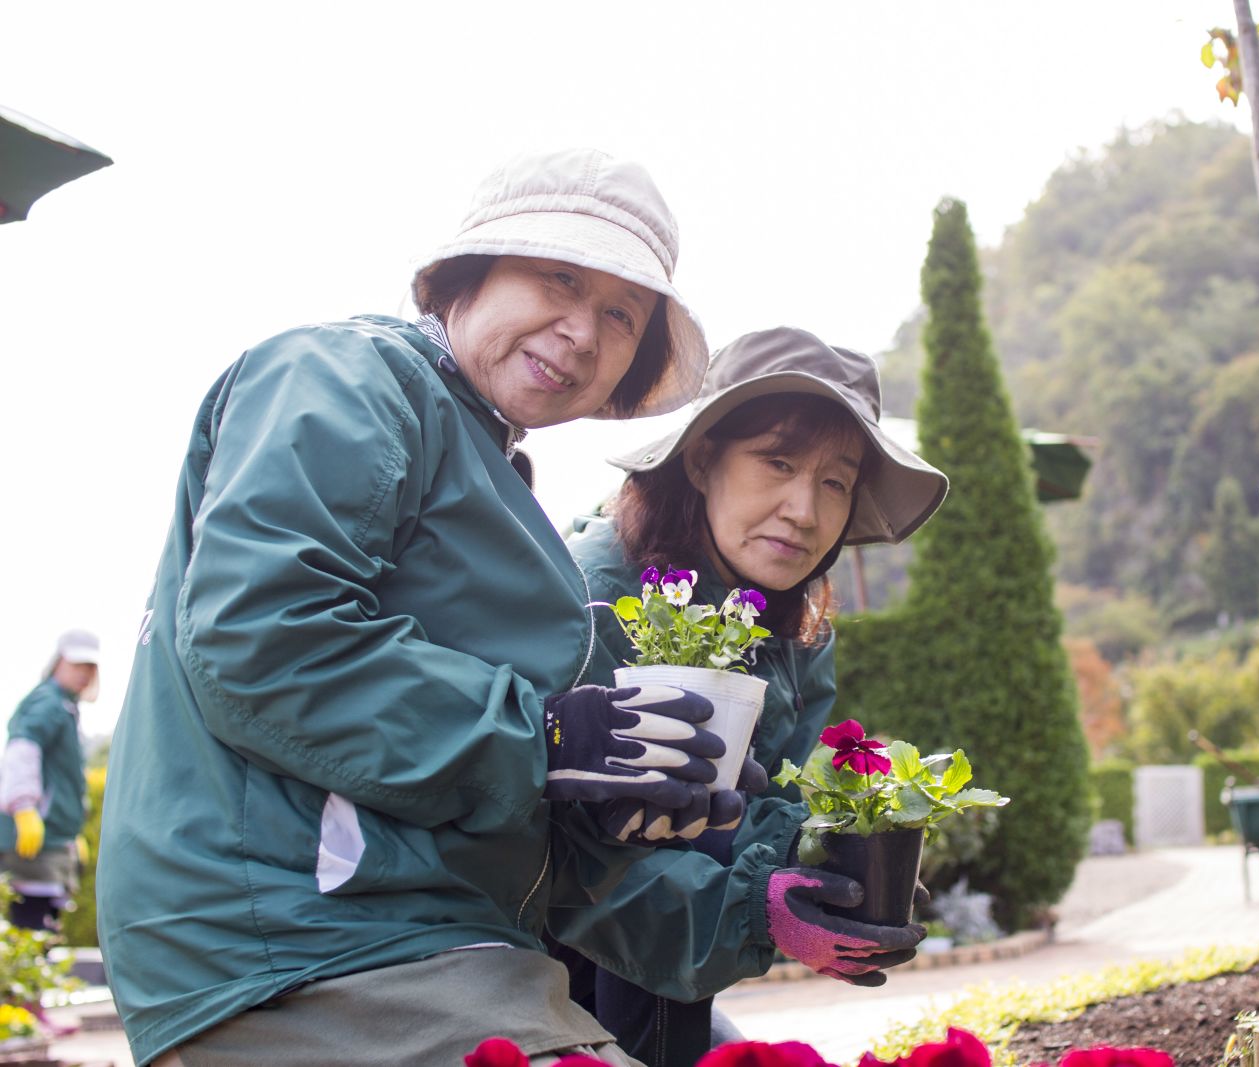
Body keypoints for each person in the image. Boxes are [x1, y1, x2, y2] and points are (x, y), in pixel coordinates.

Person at [96, 148, 760, 1067]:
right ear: (467, 275)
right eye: (558, 279)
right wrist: (549, 741)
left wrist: (760, 900)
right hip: (298, 945)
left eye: (621, 314)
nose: (581, 330)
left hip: (434, 949)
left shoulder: (492, 467)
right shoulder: (344, 373)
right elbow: (263, 638)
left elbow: (528, 840)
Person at [549, 326, 950, 1067]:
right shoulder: (590, 600)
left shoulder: (796, 627)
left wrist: (829, 870)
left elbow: (776, 803)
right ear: (702, 460)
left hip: (671, 967)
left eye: (836, 480)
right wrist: (753, 910)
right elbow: (569, 868)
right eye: (778, 462)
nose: (804, 508)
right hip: (537, 959)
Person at [1, 628, 98, 931]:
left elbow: (65, 779)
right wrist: (23, 806)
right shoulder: (48, 703)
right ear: (58, 662)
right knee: (29, 926)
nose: (84, 673)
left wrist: (72, 831)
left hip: (54, 837)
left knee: (45, 923)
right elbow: (22, 750)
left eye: (90, 667)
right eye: (77, 664)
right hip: (31, 838)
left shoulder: (67, 708)